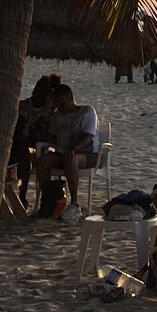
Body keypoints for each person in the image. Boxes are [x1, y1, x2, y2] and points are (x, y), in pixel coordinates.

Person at [30, 83, 100, 219]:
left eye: (62, 104)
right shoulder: (58, 116)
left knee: (71, 158)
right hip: (63, 152)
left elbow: (88, 136)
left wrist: (74, 149)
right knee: (43, 161)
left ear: (70, 97)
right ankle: (48, 200)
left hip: (87, 153)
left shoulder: (86, 112)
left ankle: (74, 204)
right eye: (57, 105)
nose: (60, 108)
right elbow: (52, 136)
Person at [5, 74, 63, 215]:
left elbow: (53, 133)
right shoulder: (23, 106)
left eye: (49, 95)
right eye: (43, 94)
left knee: (22, 153)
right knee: (17, 151)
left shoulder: (52, 111)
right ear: (36, 92)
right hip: (20, 140)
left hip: (36, 144)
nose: (46, 98)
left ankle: (22, 196)